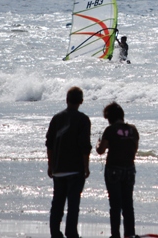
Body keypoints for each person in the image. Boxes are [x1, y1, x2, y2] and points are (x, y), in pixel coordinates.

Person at [46, 86, 92, 238]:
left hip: (59, 167)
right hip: (75, 168)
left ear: (67, 100)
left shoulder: (57, 118)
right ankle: (71, 232)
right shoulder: (83, 120)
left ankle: (55, 232)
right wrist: (86, 167)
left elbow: (50, 143)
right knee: (73, 204)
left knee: (57, 203)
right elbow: (84, 145)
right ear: (81, 101)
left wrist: (50, 164)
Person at [96, 102, 139, 238]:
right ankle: (130, 234)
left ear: (109, 118)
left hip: (114, 169)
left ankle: (115, 235)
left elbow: (101, 150)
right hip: (129, 169)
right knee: (128, 205)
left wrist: (98, 143)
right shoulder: (133, 130)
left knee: (115, 205)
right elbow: (134, 149)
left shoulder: (110, 130)